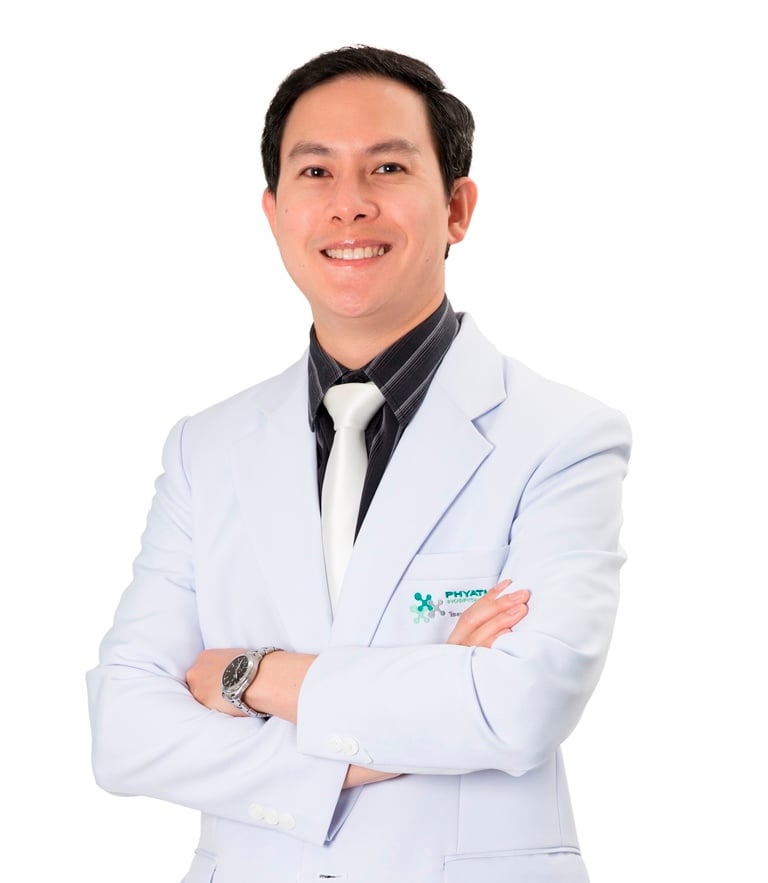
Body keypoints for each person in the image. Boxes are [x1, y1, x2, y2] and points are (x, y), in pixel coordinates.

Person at [87, 45, 631, 883]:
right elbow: (125, 729)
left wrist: (246, 676)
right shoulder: (207, 447)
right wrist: (424, 702)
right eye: (315, 172)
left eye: (387, 167)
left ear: (456, 208)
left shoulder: (561, 436)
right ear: (274, 212)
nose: (349, 204)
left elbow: (518, 707)